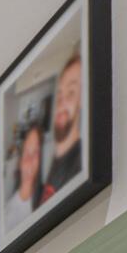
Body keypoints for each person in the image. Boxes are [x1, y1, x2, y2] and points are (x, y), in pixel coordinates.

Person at [40, 48, 86, 202]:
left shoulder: (81, 164)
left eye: (71, 93)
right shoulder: (53, 161)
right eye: (59, 94)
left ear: (82, 100)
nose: (61, 103)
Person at [4, 122, 45, 232]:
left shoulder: (46, 200)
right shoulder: (7, 215)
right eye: (27, 151)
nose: (30, 159)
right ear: (19, 161)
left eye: (35, 152)